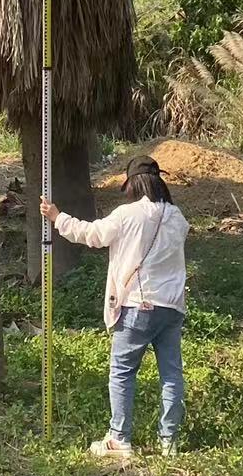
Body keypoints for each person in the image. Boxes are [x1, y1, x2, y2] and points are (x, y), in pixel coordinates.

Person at [39, 154, 189, 458]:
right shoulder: (177, 218)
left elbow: (93, 235)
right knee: (171, 374)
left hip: (138, 305)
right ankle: (168, 441)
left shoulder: (127, 215)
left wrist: (57, 218)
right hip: (172, 307)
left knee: (122, 372)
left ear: (133, 183)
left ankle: (120, 438)